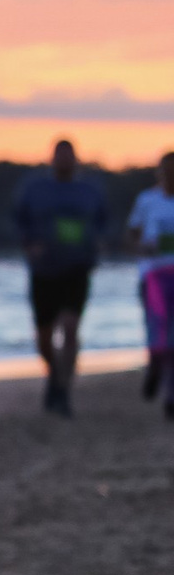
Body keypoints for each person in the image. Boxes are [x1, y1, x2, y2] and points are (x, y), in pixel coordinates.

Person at [13, 139, 111, 417]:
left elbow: (104, 222)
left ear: (76, 159)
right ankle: (54, 375)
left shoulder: (90, 190)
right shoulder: (34, 189)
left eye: (69, 157)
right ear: (52, 158)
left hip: (77, 268)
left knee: (70, 327)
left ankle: (64, 390)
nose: (65, 162)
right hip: (43, 270)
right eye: (60, 157)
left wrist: (99, 243)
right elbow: (19, 220)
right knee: (44, 338)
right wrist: (29, 244)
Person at [127, 151, 174, 418]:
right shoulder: (147, 201)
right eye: (166, 171)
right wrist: (142, 247)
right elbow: (130, 236)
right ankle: (154, 364)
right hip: (154, 277)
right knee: (159, 336)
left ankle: (171, 396)